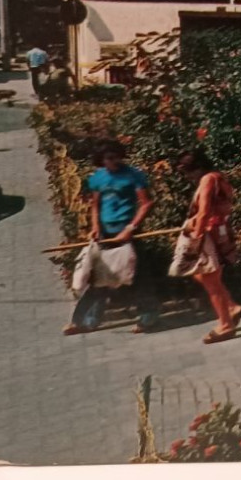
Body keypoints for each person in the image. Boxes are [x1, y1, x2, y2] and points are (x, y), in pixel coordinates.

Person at [64, 141, 153, 335]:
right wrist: (95, 227)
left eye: (116, 157)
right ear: (102, 160)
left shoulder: (133, 175)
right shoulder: (98, 178)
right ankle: (83, 321)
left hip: (128, 233)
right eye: (108, 158)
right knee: (99, 277)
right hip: (105, 233)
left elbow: (146, 203)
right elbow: (95, 205)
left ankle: (148, 317)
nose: (113, 161)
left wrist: (130, 228)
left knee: (135, 276)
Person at [169, 148, 241, 345]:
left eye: (187, 172)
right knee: (201, 275)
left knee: (209, 280)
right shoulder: (218, 177)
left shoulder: (207, 180)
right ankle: (231, 307)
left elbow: (204, 212)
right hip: (219, 230)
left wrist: (195, 239)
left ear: (196, 168)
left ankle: (226, 325)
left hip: (209, 234)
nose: (187, 177)